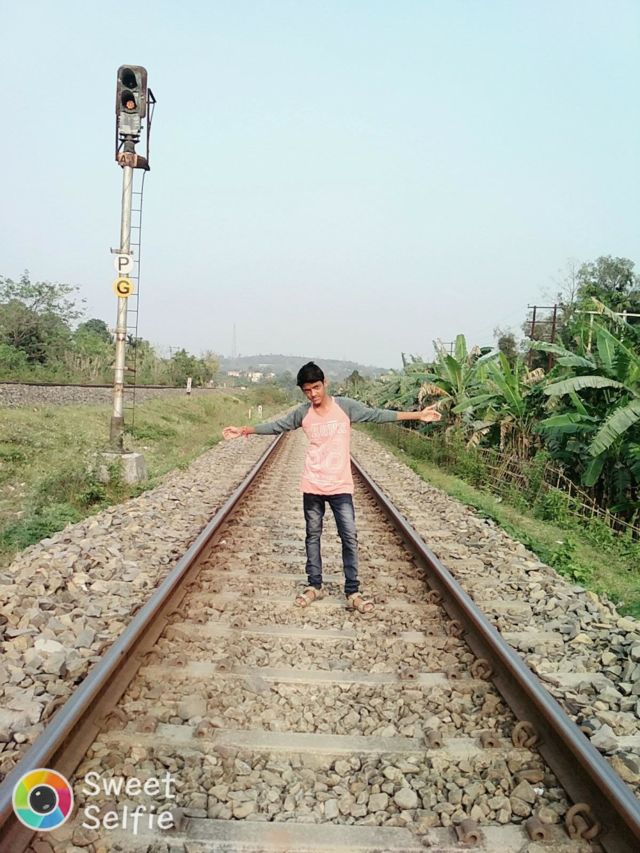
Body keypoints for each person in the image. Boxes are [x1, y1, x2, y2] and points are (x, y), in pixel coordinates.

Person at [223, 362, 441, 617]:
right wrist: (245, 430)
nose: (313, 394)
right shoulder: (303, 413)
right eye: (307, 390)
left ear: (325, 383)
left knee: (349, 537)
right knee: (312, 536)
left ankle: (352, 591)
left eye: (316, 388)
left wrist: (418, 415)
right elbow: (278, 426)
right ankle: (314, 586)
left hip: (340, 485)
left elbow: (376, 414)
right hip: (313, 484)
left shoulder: (345, 407)